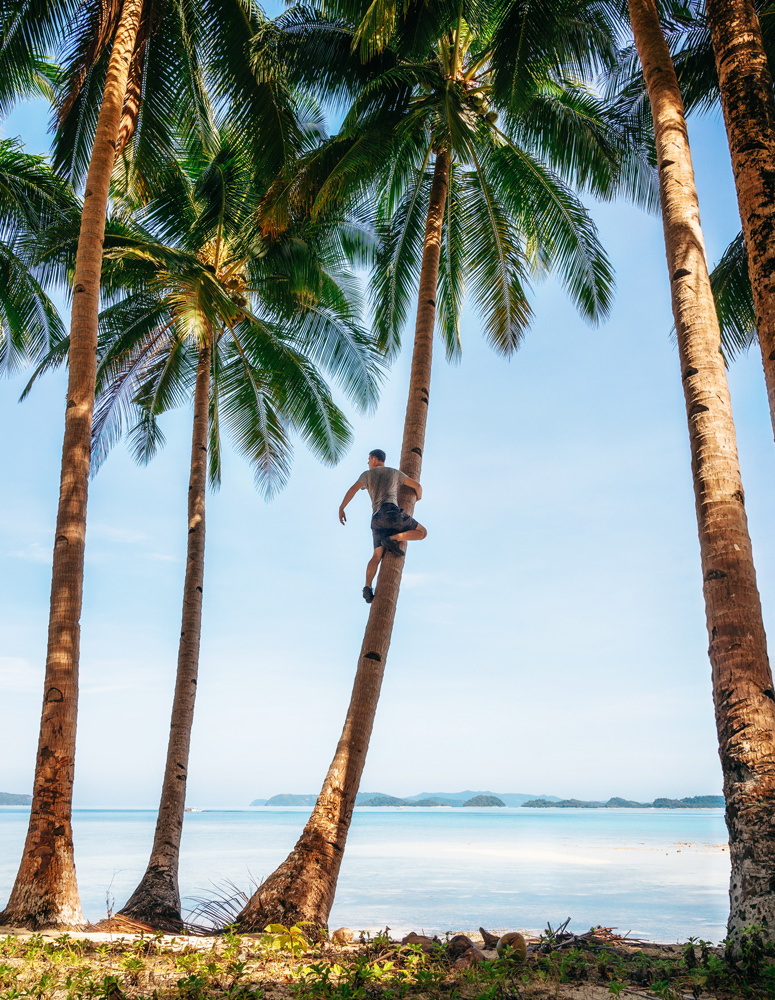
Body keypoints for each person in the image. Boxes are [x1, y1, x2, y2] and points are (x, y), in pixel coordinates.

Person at [339, 449, 427, 603]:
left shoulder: (367, 475)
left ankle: (367, 586)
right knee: (422, 532)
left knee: (376, 556)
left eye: (368, 459)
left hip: (377, 519)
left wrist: (342, 508)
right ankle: (394, 538)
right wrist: (417, 498)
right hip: (391, 512)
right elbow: (418, 487)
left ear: (374, 459)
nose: (368, 462)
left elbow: (353, 489)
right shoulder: (394, 472)